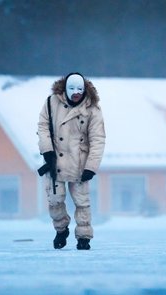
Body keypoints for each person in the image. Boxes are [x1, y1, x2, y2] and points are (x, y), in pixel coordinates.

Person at [37, 72, 105, 250]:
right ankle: (61, 230)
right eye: (72, 88)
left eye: (80, 89)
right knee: (55, 199)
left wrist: (91, 166)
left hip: (80, 163)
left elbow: (98, 139)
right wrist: (47, 151)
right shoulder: (51, 103)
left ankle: (84, 238)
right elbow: (42, 127)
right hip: (55, 162)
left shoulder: (93, 109)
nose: (76, 92)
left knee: (82, 202)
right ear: (65, 89)